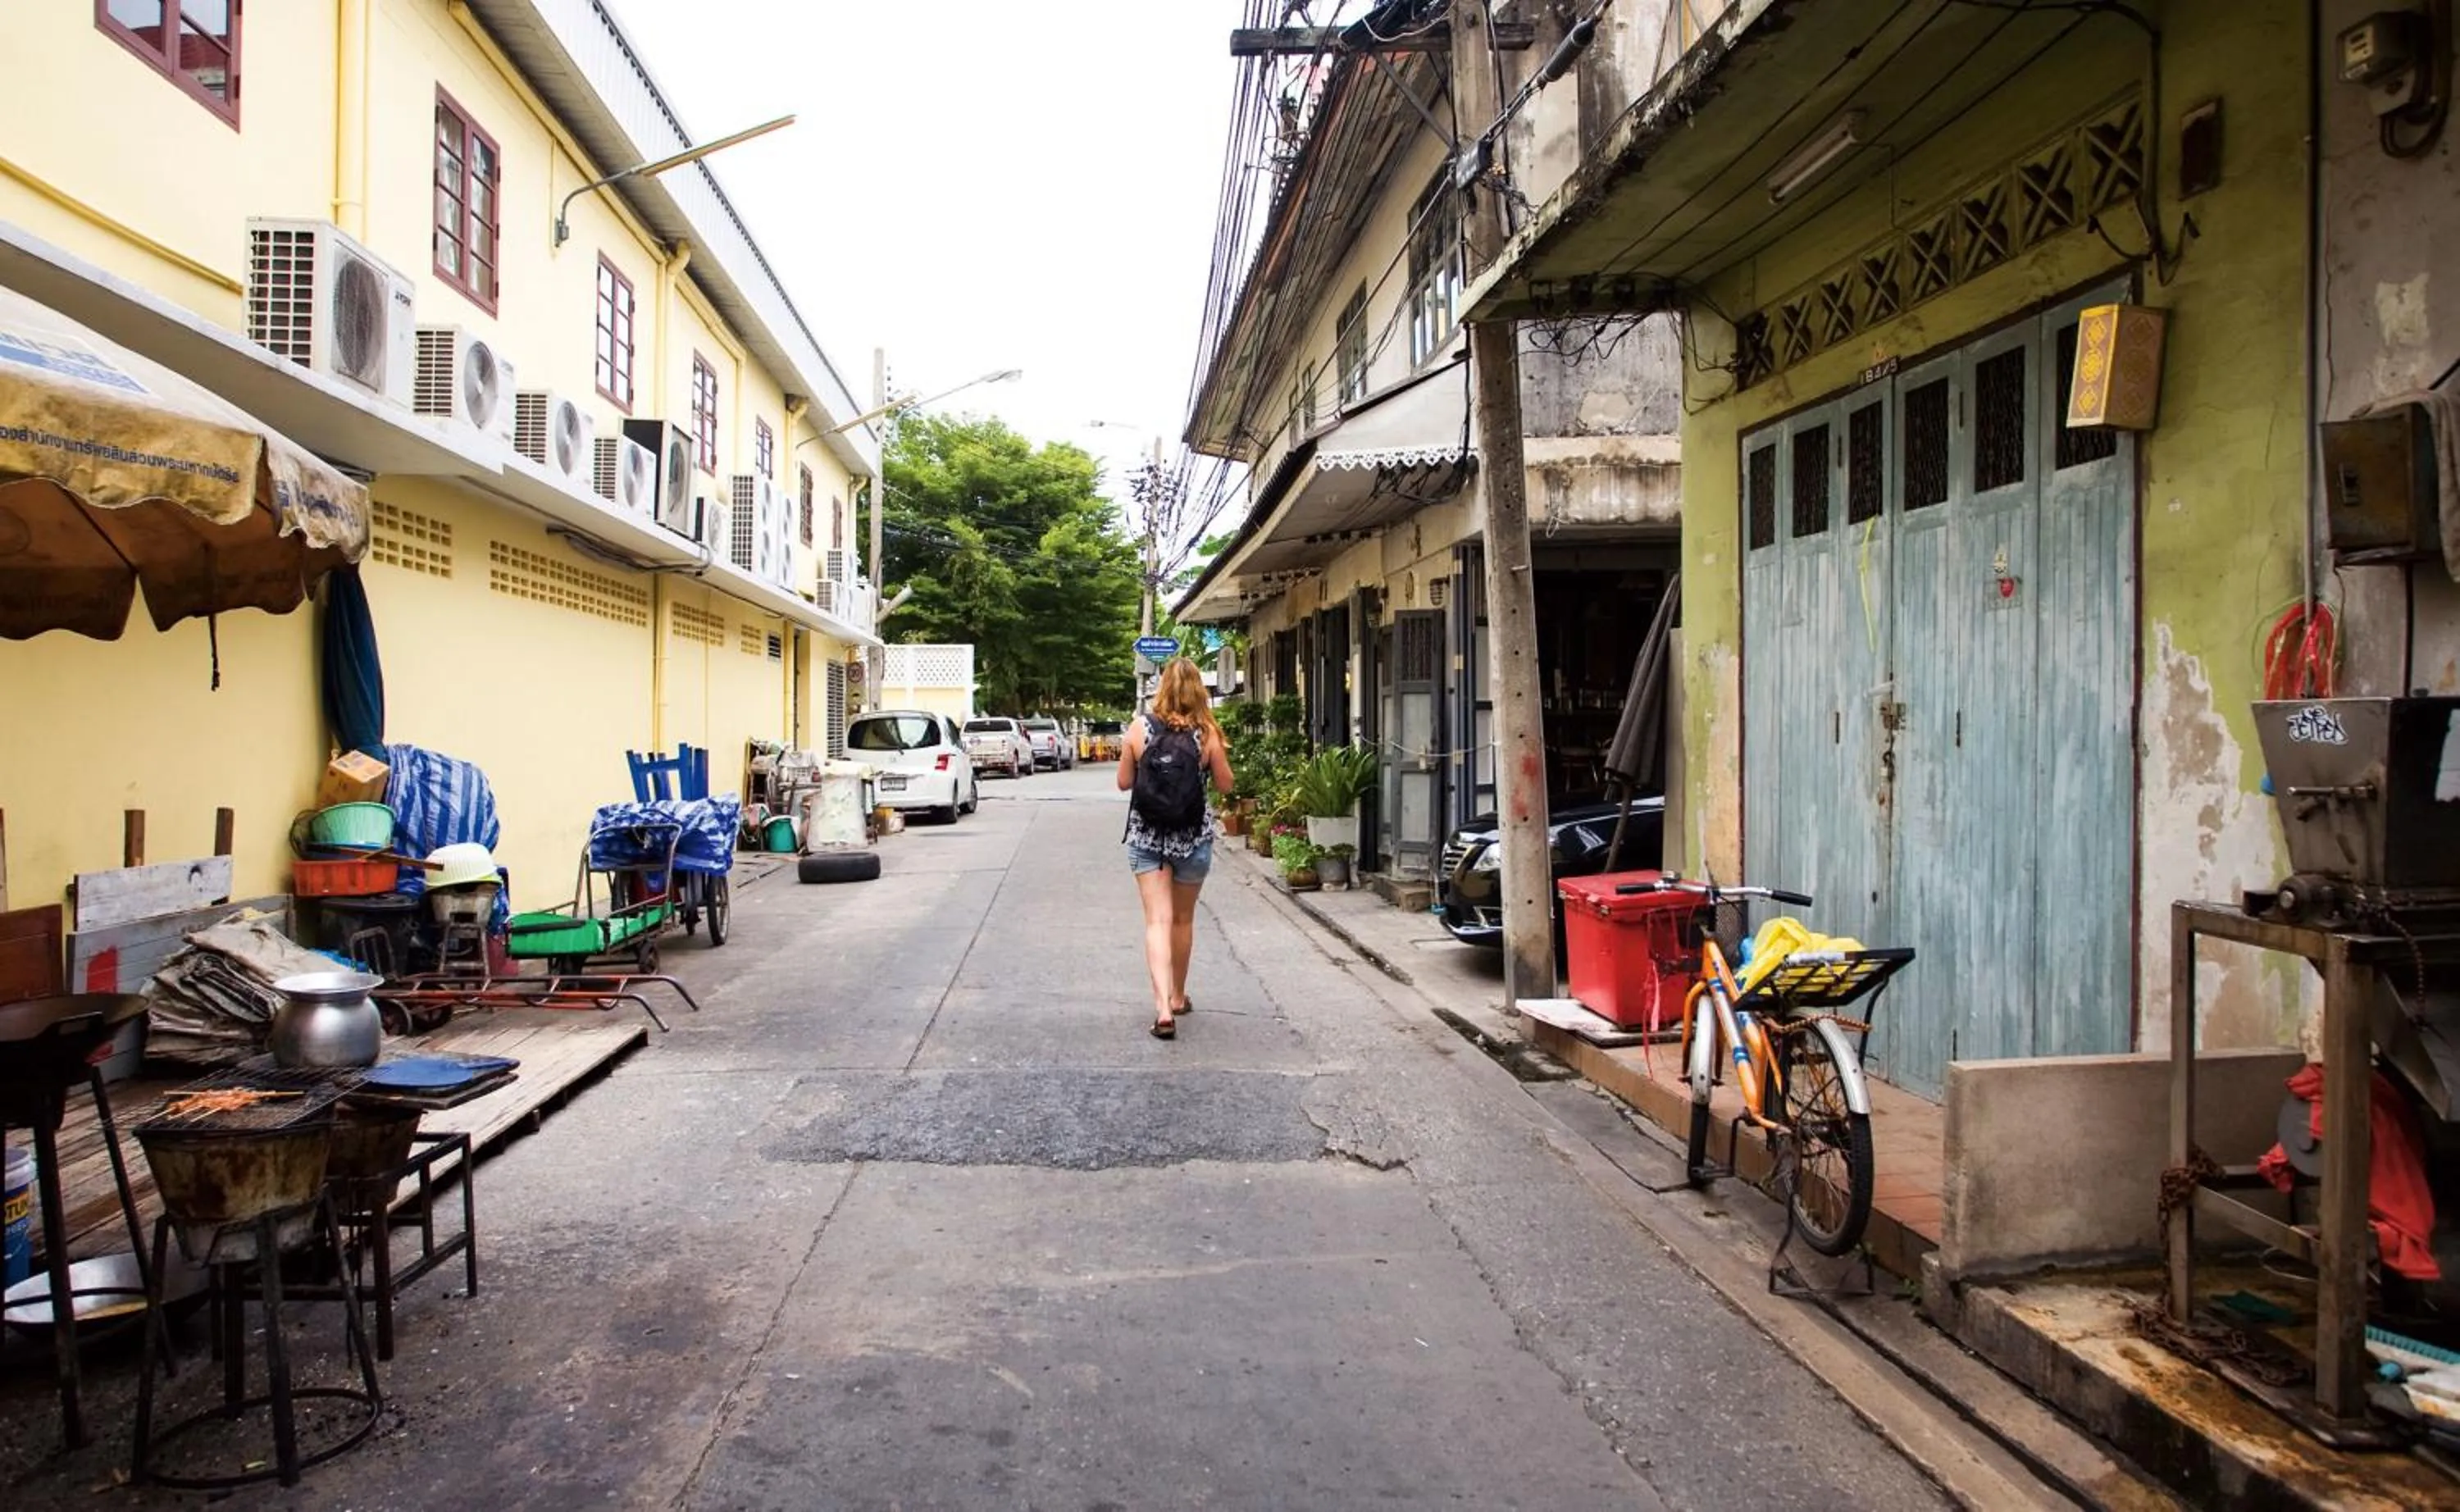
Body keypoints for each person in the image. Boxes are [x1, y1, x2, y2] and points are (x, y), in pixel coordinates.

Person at [1118, 658, 1235, 1039]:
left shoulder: (1140, 728)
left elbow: (1123, 782)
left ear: (1162, 687)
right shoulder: (1206, 733)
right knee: (1182, 920)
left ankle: (1163, 1010)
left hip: (1147, 838)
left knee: (1157, 921)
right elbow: (1226, 784)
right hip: (1192, 838)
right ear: (1199, 691)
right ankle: (1179, 995)